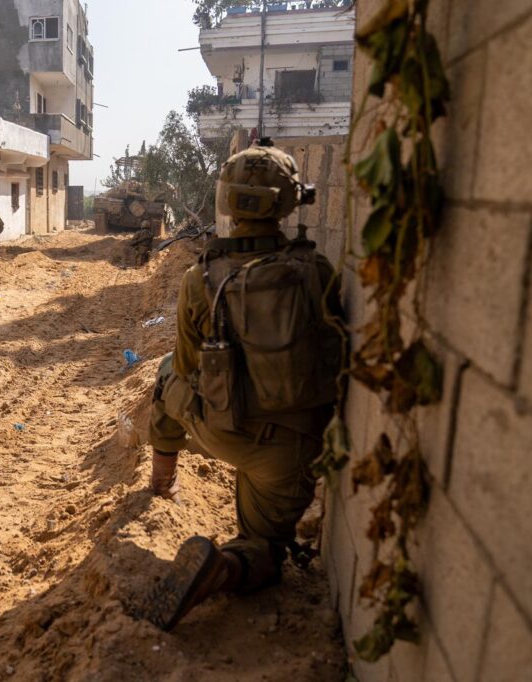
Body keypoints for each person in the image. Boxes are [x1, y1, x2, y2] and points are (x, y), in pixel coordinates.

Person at [139, 142, 341, 631]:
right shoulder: (317, 272)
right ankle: (223, 568)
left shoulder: (199, 278)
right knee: (264, 547)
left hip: (219, 429)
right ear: (290, 202)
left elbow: (187, 368)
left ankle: (162, 481)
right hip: (289, 451)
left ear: (229, 200)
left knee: (166, 375)